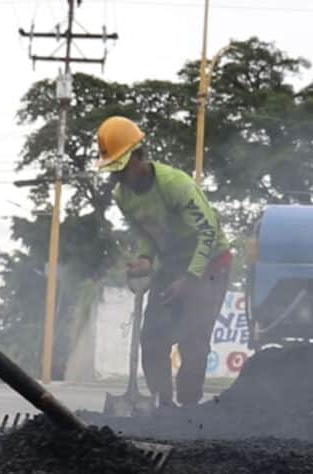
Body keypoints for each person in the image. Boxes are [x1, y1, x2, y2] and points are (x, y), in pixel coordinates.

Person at [96, 116, 232, 412]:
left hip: (210, 263)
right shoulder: (123, 196)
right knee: (153, 337)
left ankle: (188, 409)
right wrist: (145, 260)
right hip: (171, 263)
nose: (118, 178)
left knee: (192, 340)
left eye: (122, 169)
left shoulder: (176, 185)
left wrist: (191, 279)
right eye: (113, 172)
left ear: (139, 157)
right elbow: (146, 234)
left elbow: (208, 232)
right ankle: (162, 403)